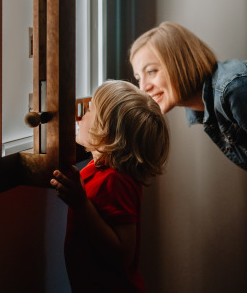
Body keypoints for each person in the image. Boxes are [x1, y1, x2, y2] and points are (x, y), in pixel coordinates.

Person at [130, 21, 247, 223]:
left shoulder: (236, 90)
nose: (143, 87)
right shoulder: (204, 111)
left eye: (151, 71)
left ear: (180, 61)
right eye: (138, 78)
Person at [51, 80, 170, 293]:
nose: (80, 116)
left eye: (88, 111)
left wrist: (81, 205)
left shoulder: (115, 180)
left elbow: (124, 254)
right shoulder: (101, 167)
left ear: (105, 132)